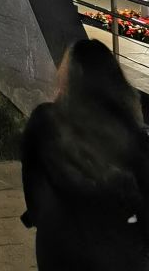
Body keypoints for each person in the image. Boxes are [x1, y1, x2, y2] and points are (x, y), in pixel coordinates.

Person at [21, 38, 149, 270]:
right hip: (117, 249)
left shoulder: (45, 120)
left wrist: (44, 219)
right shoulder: (131, 134)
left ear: (68, 79)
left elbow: (31, 182)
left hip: (59, 246)